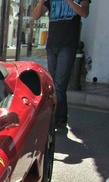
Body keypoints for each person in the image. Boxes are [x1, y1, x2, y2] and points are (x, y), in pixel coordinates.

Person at [32, 0, 90, 128]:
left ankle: (58, 118)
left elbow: (84, 13)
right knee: (53, 84)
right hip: (52, 44)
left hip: (68, 44)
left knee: (59, 84)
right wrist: (41, 2)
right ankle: (59, 117)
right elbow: (35, 16)